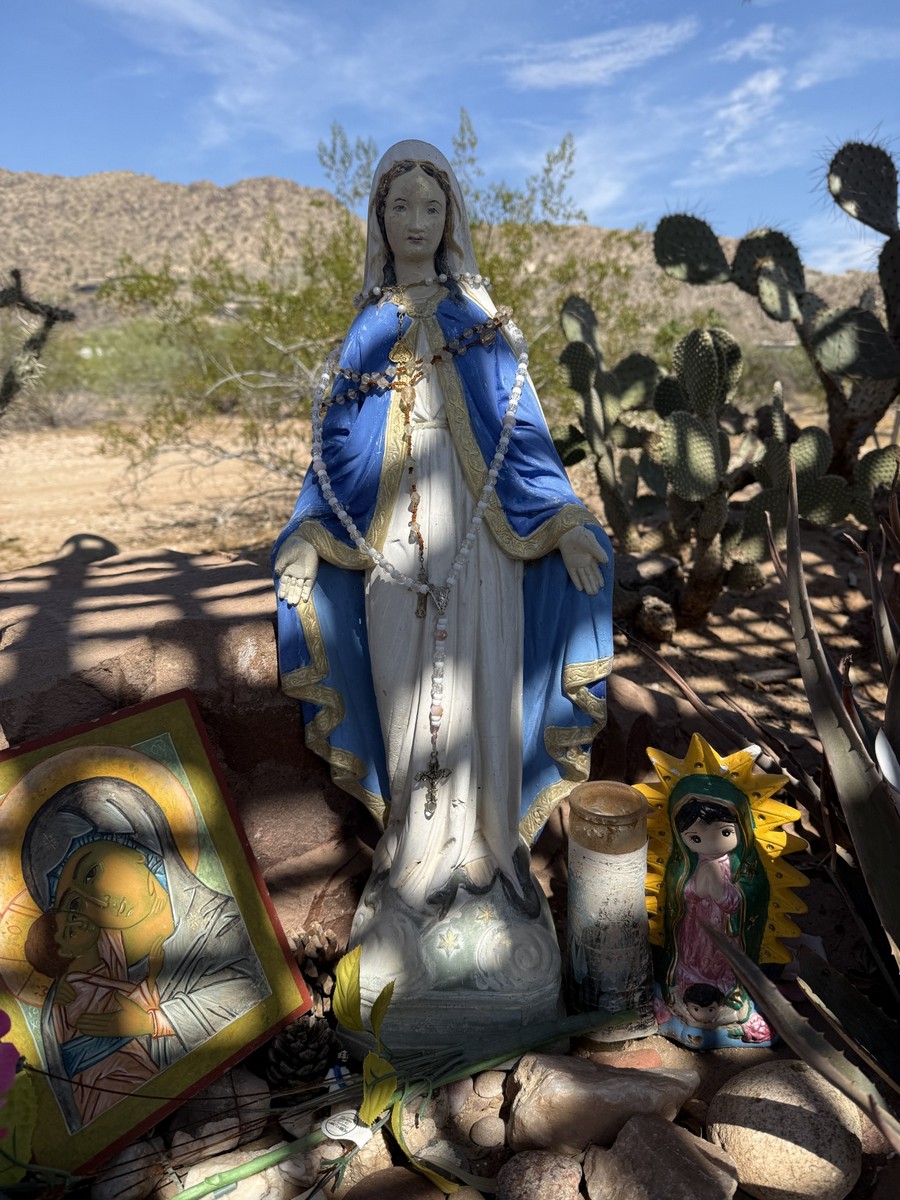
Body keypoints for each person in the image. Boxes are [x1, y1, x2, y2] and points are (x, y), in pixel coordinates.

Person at [273, 141, 612, 1020]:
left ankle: (489, 864)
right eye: (401, 208)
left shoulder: (482, 321)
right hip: (392, 552)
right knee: (406, 702)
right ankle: (414, 868)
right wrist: (308, 535)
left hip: (482, 546)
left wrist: (566, 524)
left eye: (432, 207)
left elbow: (524, 441)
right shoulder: (364, 334)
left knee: (484, 696)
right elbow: (334, 460)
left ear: (450, 217)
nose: (417, 222)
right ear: (379, 220)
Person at [21, 775, 272, 1132]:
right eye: (74, 904)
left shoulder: (223, 922)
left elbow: (254, 990)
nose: (96, 902)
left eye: (91, 873)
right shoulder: (82, 988)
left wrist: (151, 1023)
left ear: (138, 846)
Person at [24, 908, 163, 1125]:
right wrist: (153, 974)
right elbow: (138, 1008)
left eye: (73, 916)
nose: (80, 923)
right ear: (66, 953)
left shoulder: (92, 964)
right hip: (112, 1087)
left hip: (120, 1077)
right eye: (71, 933)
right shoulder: (76, 993)